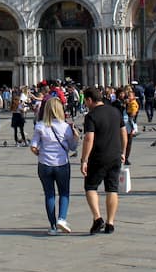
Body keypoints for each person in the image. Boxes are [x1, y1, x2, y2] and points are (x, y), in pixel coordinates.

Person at [79, 86, 126, 234]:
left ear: (89, 100)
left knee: (91, 187)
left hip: (98, 157)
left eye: (86, 101)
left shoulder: (91, 116)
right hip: (115, 156)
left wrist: (84, 160)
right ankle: (110, 223)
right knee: (112, 189)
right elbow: (124, 133)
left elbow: (89, 139)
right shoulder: (115, 111)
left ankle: (97, 218)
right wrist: (123, 152)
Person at [30, 97, 76, 234]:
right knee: (64, 193)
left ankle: (53, 227)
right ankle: (62, 218)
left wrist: (41, 154)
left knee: (49, 195)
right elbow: (73, 147)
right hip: (62, 164)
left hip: (44, 165)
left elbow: (33, 146)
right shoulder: (66, 127)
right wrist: (76, 136)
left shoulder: (40, 126)